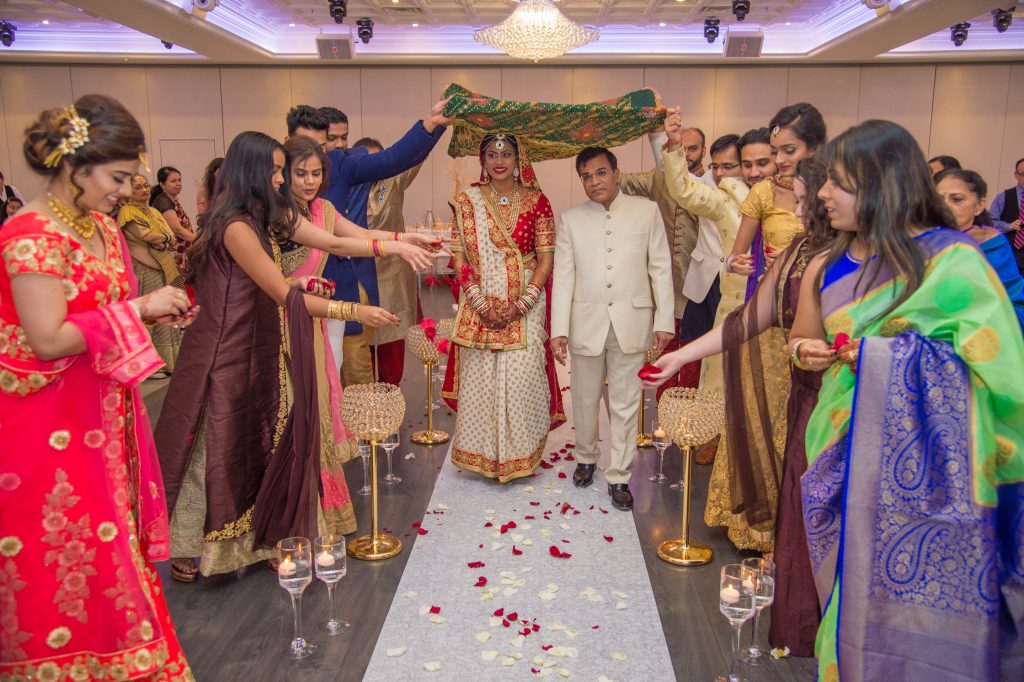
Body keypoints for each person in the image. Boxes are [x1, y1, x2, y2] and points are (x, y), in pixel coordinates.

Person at [789, 119, 1024, 680]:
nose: (823, 194)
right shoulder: (828, 263)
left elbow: (1002, 374)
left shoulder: (953, 260)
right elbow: (800, 339)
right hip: (843, 454)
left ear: (882, 185)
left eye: (838, 183)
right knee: (849, 595)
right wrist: (807, 352)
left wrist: (877, 360)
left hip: (944, 488)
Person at [155, 131, 436, 581]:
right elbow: (283, 295)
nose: (283, 178)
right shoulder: (236, 227)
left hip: (261, 342)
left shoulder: (264, 216)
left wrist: (399, 244)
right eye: (277, 169)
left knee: (260, 443)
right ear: (251, 172)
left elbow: (337, 243)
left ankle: (259, 538)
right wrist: (353, 309)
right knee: (218, 448)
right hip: (224, 353)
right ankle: (195, 546)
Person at [0, 94, 194, 679]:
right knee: (64, 555)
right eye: (117, 177)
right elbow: (48, 337)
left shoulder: (105, 230)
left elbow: (104, 312)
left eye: (132, 177)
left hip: (106, 411)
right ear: (73, 166)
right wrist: (139, 307)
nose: (126, 189)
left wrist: (153, 313)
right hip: (48, 426)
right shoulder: (29, 234)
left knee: (116, 543)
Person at [647, 157, 832, 656]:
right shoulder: (800, 252)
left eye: (822, 190)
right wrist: (677, 358)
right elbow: (753, 319)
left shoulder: (873, 256)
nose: (807, 199)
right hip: (812, 394)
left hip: (853, 406)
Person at [290, 99, 449, 386]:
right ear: (287, 143)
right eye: (305, 146)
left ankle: (355, 431)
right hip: (287, 301)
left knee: (350, 371)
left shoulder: (334, 169)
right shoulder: (273, 197)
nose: (313, 162)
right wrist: (397, 244)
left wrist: (430, 125)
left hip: (339, 285)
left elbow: (392, 161)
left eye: (321, 146)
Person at [552, 147, 674, 510]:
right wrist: (559, 328)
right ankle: (586, 457)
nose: (594, 182)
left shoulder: (646, 211)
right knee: (585, 399)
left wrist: (664, 318)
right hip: (584, 322)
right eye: (586, 176)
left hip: (632, 321)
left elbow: (661, 268)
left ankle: (620, 475)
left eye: (601, 173)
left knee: (626, 403)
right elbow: (564, 277)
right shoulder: (571, 219)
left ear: (617, 173)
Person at [440, 133, 564, 483]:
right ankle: (482, 455)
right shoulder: (468, 201)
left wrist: (524, 302)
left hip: (526, 300)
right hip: (478, 296)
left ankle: (519, 455)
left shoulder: (538, 201)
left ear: (518, 159)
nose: (499, 160)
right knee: (482, 377)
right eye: (492, 153)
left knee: (523, 374)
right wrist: (478, 301)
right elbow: (459, 256)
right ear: (482, 159)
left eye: (507, 153)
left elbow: (545, 259)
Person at [660, 106, 748, 464]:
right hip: (708, 285)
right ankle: (708, 432)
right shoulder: (718, 196)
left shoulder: (772, 200)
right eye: (718, 167)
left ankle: (735, 438)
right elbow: (682, 189)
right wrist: (672, 143)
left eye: (731, 167)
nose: (723, 174)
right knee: (704, 358)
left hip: (752, 296)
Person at [618, 128, 701, 395]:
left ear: (703, 152)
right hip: (665, 284)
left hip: (701, 286)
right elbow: (619, 180)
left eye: (692, 149)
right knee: (663, 352)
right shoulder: (658, 179)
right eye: (681, 149)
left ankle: (691, 424)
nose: (686, 155)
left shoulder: (711, 184)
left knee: (694, 355)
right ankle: (666, 419)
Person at [353, 136, 423, 386]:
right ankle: (365, 413)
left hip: (392, 278)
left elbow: (415, 153)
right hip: (358, 276)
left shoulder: (391, 180)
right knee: (359, 350)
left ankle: (389, 405)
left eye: (380, 159)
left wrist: (434, 128)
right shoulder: (349, 187)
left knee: (391, 350)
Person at [935, 168, 1024, 333]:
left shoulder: (990, 244)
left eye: (956, 199)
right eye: (939, 199)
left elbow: (1014, 304)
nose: (945, 206)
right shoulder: (923, 242)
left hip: (978, 339)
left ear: (979, 206)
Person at [118, 174, 184, 373]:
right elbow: (146, 236)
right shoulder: (127, 212)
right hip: (145, 270)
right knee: (150, 317)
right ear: (128, 192)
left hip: (163, 269)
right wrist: (163, 239)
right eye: (138, 187)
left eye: (146, 186)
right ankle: (152, 367)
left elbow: (170, 236)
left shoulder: (153, 210)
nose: (144, 190)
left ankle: (168, 363)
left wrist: (162, 239)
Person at [150, 165, 196, 274]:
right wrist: (199, 240)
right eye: (173, 181)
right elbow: (177, 230)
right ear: (162, 185)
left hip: (182, 250)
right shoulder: (163, 201)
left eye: (179, 180)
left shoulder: (171, 199)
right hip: (174, 253)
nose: (178, 183)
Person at [989, 156, 1024, 273]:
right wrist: (1008, 226)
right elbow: (991, 222)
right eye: (1023, 174)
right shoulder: (1003, 197)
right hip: (1009, 252)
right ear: (1016, 175)